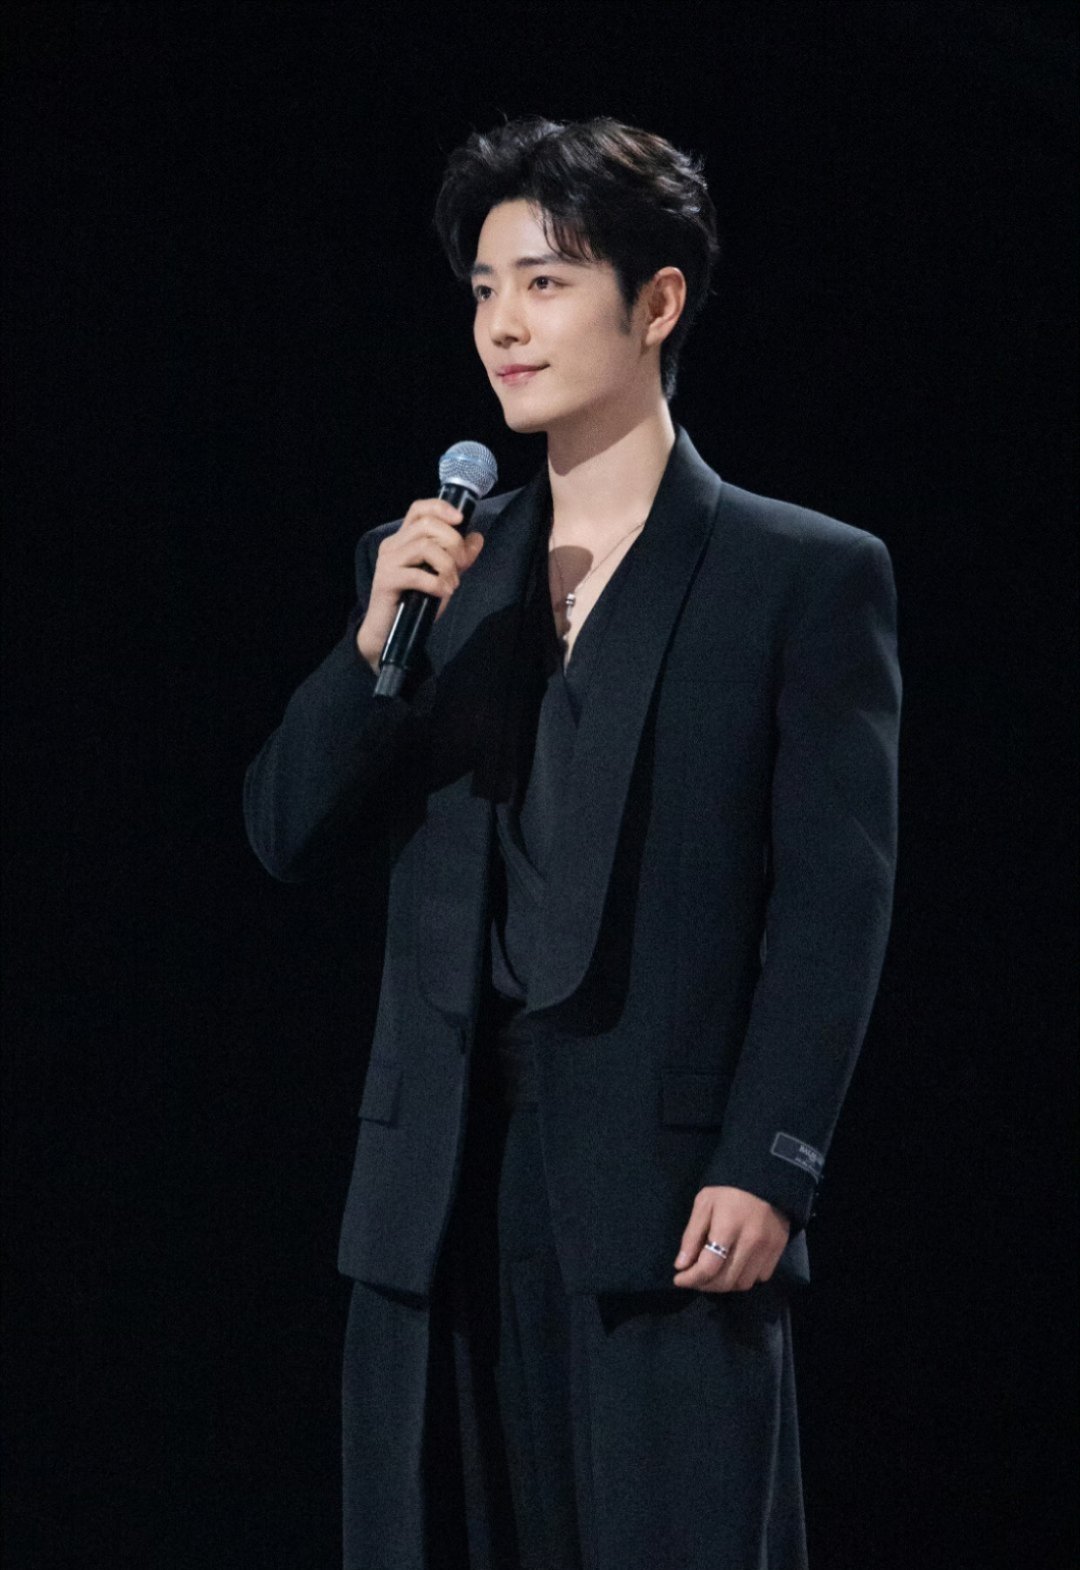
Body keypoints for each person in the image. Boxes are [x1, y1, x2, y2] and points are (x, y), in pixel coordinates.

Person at [243, 115, 901, 1570]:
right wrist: (370, 649)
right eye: (485, 289)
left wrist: (772, 1159)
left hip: (670, 1195)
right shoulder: (431, 569)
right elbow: (285, 830)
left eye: (544, 283)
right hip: (435, 1190)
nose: (503, 326)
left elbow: (833, 904)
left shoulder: (801, 574)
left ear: (656, 302)